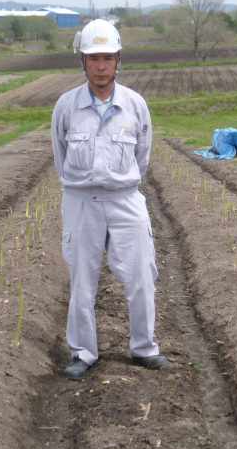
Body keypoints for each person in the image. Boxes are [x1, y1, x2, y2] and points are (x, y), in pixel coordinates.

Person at [51, 19, 169, 380]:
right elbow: (59, 154)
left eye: (107, 58)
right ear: (82, 63)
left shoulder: (135, 106)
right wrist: (83, 183)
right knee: (82, 278)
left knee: (140, 274)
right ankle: (83, 353)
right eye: (93, 58)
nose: (100, 66)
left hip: (125, 198)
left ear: (119, 60)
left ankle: (144, 348)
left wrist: (120, 183)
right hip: (81, 200)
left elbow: (142, 157)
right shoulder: (66, 107)